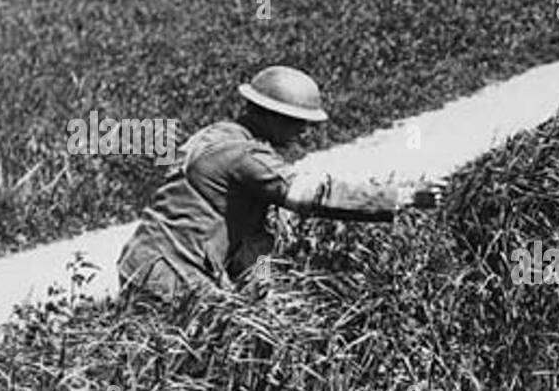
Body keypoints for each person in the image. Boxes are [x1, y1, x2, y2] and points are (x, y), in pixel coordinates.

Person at [117, 66, 444, 303]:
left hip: (147, 266)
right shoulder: (245, 157)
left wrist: (261, 295)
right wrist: (399, 197)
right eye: (298, 121)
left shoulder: (216, 134)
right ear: (270, 116)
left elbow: (252, 237)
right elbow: (316, 196)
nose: (304, 131)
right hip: (170, 277)